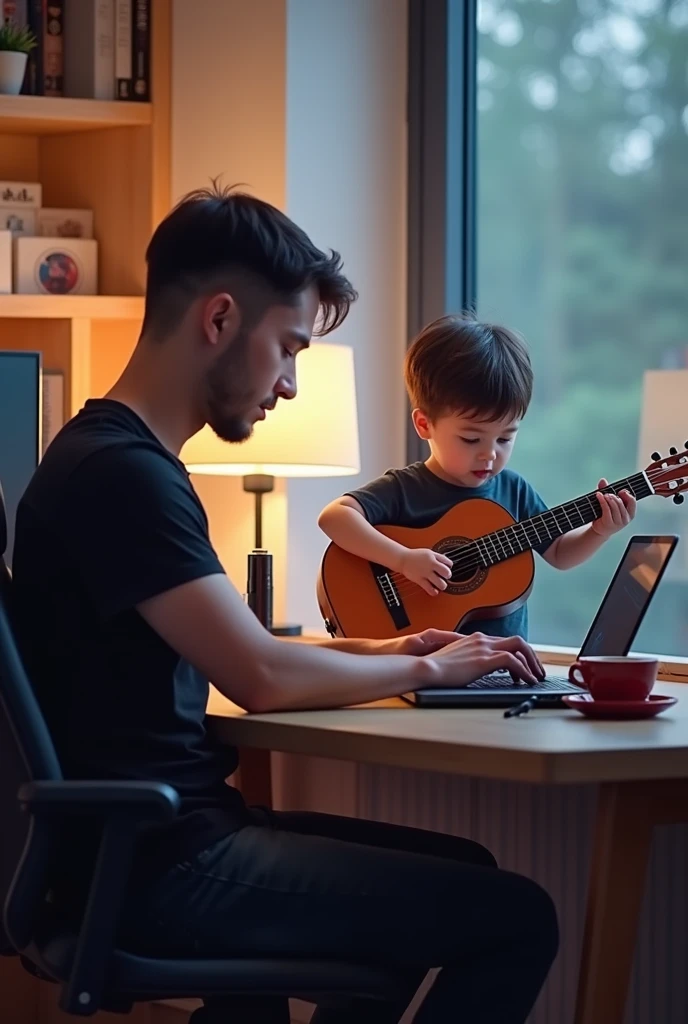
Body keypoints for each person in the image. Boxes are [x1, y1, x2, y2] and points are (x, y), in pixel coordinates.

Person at [11, 184, 558, 1024]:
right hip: (161, 862)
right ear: (220, 320)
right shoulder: (123, 478)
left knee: (473, 871)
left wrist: (403, 652)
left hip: (159, 840)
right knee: (516, 919)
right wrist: (426, 664)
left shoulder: (116, 459)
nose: (293, 384)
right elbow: (260, 675)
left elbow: (244, 646)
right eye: (291, 347)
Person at [319, 313, 636, 640]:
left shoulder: (514, 490)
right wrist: (403, 560)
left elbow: (559, 553)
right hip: (425, 665)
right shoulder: (406, 488)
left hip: (503, 668)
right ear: (424, 424)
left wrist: (600, 531)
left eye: (505, 439)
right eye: (471, 439)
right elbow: (334, 517)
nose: (490, 454)